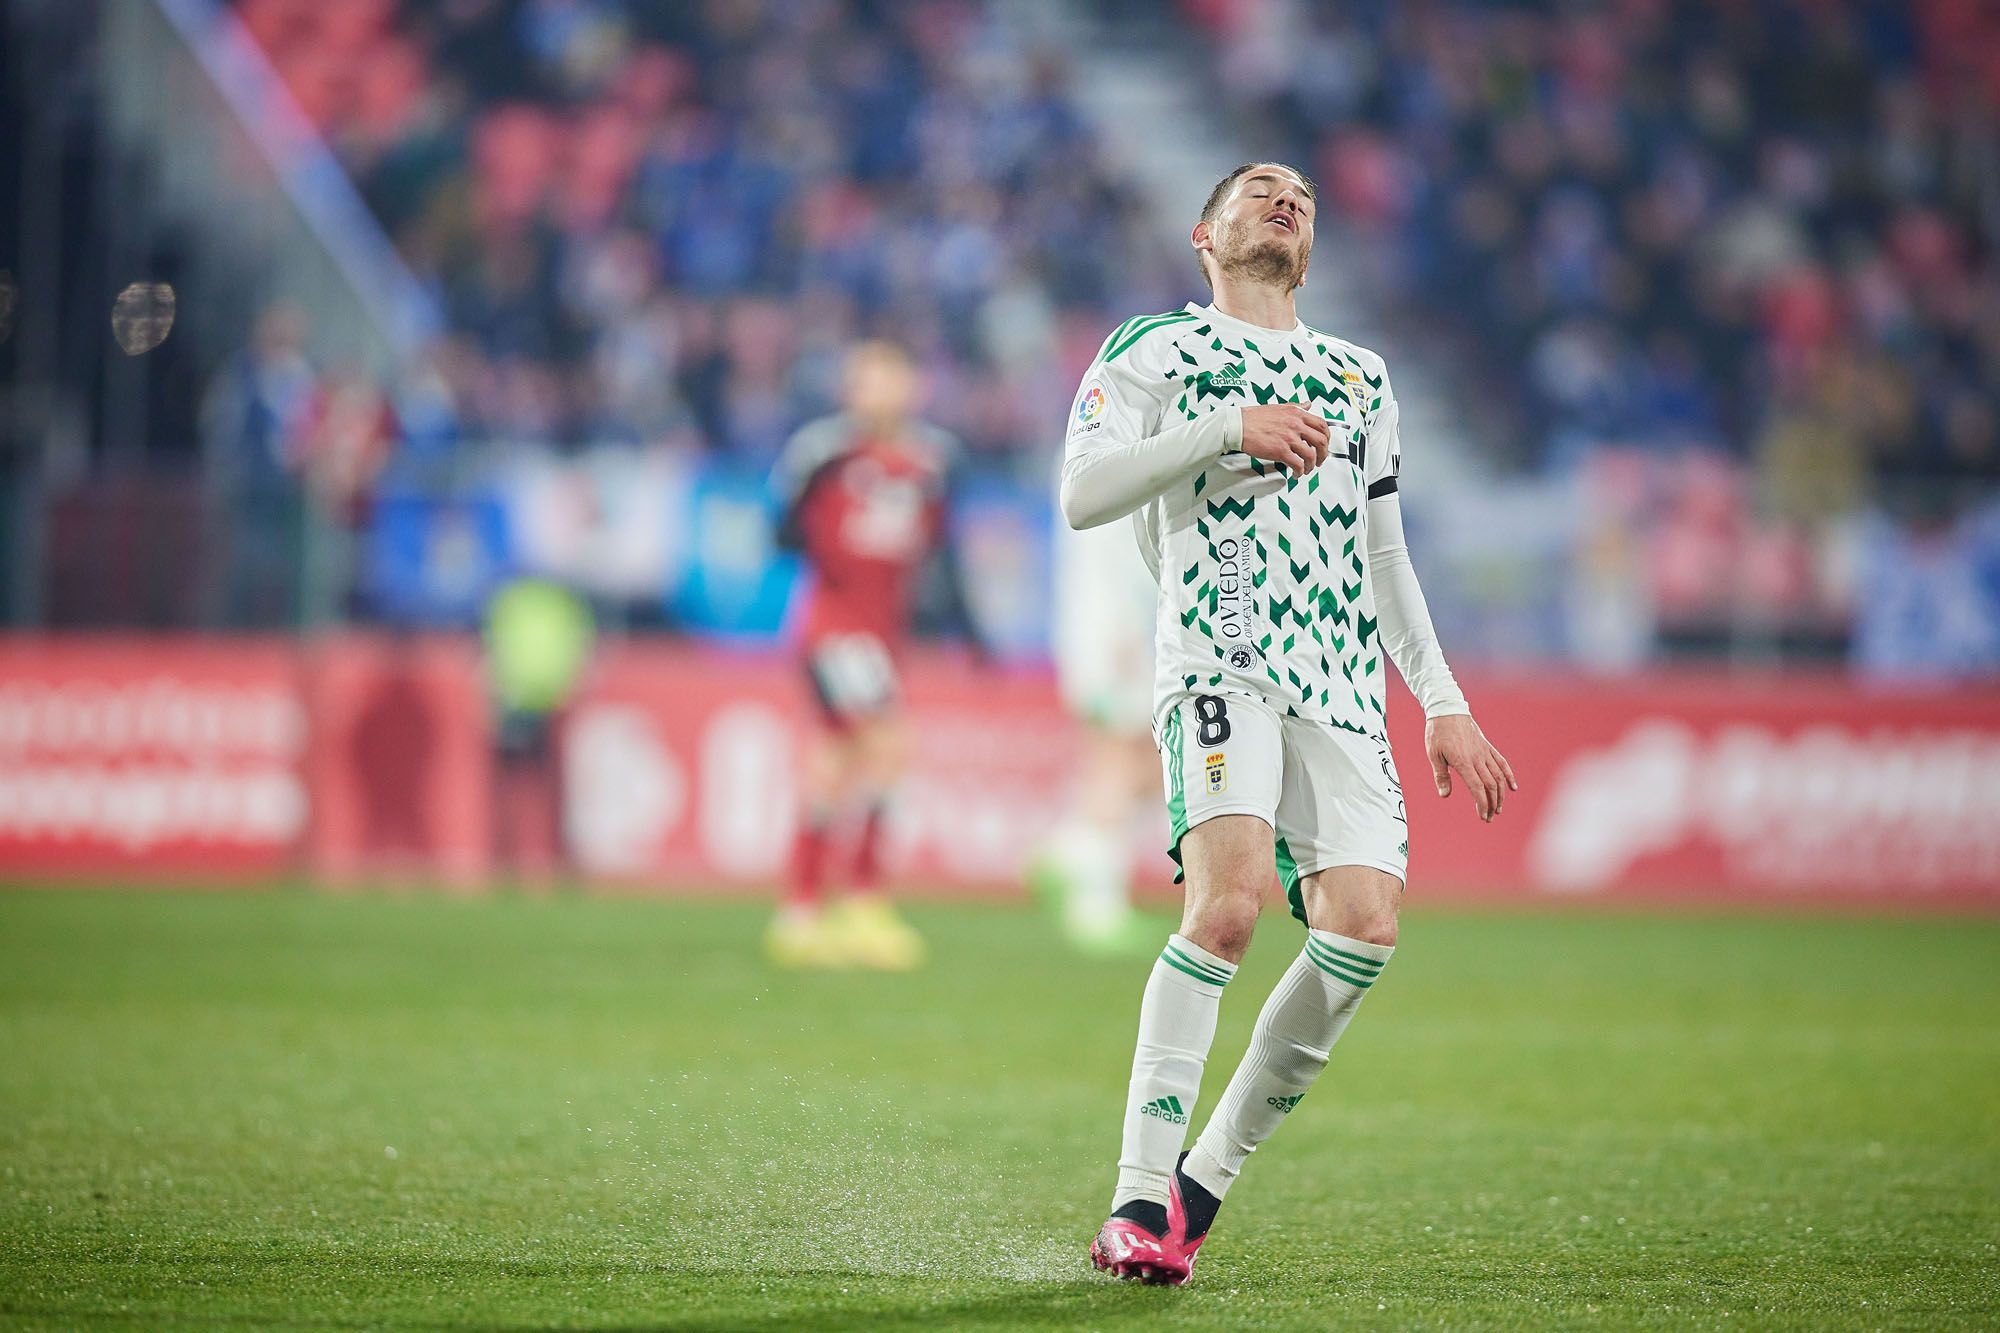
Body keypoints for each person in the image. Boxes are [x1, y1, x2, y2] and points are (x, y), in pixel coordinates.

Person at [1061, 163, 1517, 1284]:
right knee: (1224, 909)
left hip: (1341, 684)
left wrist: (1442, 698)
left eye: (1301, 197)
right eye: (1258, 189)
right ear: (1203, 235)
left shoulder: (1359, 376)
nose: (1285, 199)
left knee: (1362, 926)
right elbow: (1082, 491)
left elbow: (1384, 551)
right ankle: (1129, 1199)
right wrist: (1225, 430)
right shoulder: (1154, 350)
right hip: (1219, 655)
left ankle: (1195, 1189)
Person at [766, 340, 979, 970]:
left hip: (884, 636)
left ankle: (801, 911)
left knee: (834, 764)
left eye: (888, 379)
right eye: (864, 381)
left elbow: (942, 550)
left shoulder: (933, 461)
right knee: (888, 747)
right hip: (832, 628)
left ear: (914, 387)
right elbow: (781, 531)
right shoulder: (824, 453)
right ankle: (861, 902)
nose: (875, 392)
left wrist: (967, 629)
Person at [1032, 509, 1161, 956]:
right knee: (1116, 760)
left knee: (1152, 768)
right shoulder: (1110, 447)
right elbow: (1113, 552)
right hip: (1113, 636)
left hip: (1123, 629)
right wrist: (1122, 628)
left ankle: (1066, 849)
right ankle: (1096, 904)